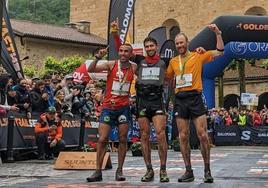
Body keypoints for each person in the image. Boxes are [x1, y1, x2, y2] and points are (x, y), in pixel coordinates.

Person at [110, 19, 206, 183]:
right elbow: (123, 50)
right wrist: (115, 34)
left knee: (161, 135)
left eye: (151, 46)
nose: (149, 49)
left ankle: (163, 170)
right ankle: (149, 170)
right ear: (144, 49)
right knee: (144, 136)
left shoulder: (165, 61)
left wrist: (199, 51)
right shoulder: (139, 60)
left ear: (156, 47)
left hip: (157, 102)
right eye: (146, 46)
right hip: (142, 101)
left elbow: (182, 61)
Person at [166, 24, 224, 183]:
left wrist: (217, 33)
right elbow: (166, 78)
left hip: (195, 98)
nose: (179, 46)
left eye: (181, 42)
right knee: (183, 136)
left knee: (203, 135)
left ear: (187, 43)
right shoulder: (172, 62)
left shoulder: (198, 55)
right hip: (180, 99)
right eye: (177, 43)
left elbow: (220, 52)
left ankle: (207, 170)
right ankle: (188, 170)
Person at [86, 44, 137, 182]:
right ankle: (97, 171)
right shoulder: (111, 64)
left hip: (124, 108)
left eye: (126, 51)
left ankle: (119, 171)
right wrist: (97, 57)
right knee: (102, 139)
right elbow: (90, 69)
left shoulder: (134, 67)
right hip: (108, 107)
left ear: (131, 53)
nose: (123, 53)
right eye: (121, 51)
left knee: (122, 139)